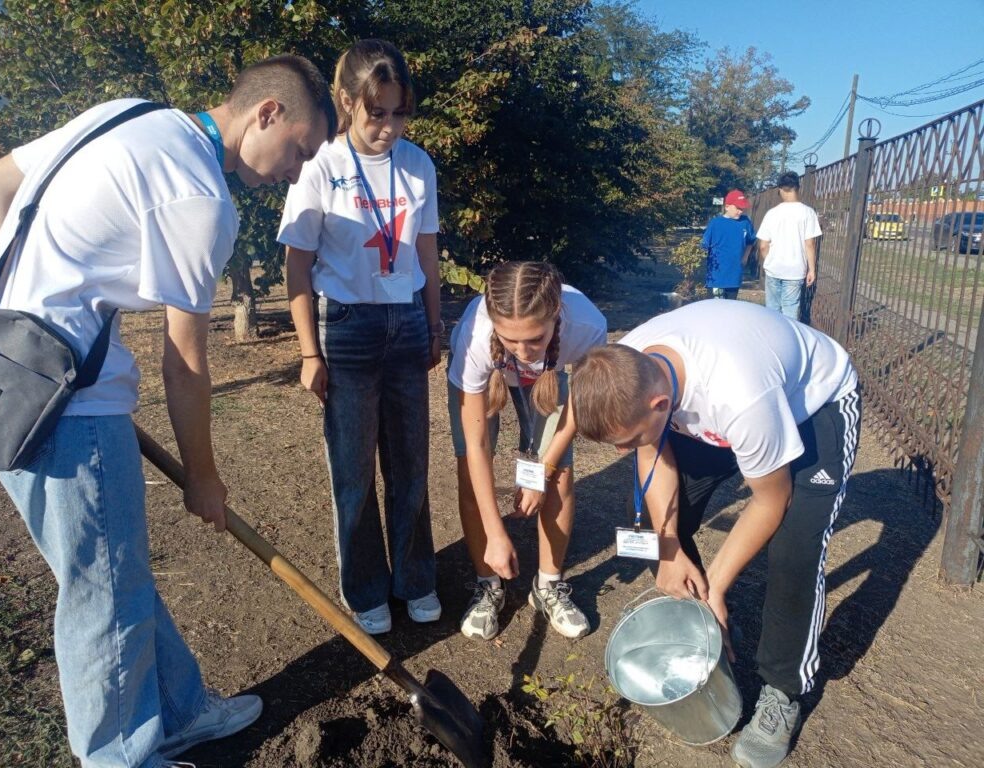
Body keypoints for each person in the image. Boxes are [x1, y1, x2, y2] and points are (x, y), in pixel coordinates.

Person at [0, 56, 336, 767]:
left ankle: (182, 709)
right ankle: (120, 757)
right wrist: (204, 476)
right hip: (65, 410)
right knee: (102, 595)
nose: (296, 172)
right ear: (266, 111)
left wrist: (26, 315)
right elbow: (186, 363)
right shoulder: (200, 197)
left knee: (114, 574)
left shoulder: (130, 114)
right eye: (299, 150)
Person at [571, 300, 861, 768]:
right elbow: (652, 450)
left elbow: (771, 499)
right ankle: (700, 633)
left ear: (660, 404)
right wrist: (668, 551)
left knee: (795, 549)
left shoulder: (739, 395)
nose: (621, 450)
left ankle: (782, 691)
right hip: (709, 421)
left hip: (812, 406)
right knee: (660, 519)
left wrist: (719, 588)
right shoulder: (629, 363)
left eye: (625, 439)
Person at [278, 39, 443, 636]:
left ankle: (415, 580)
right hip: (346, 329)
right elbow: (296, 267)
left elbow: (426, 250)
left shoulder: (419, 165)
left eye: (400, 113)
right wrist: (308, 352)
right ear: (348, 102)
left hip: (407, 326)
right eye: (378, 113)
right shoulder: (320, 167)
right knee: (353, 469)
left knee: (411, 465)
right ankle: (367, 588)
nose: (390, 127)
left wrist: (434, 321)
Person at [448, 261, 607, 640]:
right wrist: (495, 531)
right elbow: (477, 444)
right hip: (488, 379)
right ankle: (488, 583)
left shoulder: (587, 327)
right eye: (510, 339)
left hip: (556, 377)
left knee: (561, 475)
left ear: (556, 317)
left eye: (534, 339)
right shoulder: (476, 335)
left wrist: (542, 473)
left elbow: (571, 419)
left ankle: (548, 585)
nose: (522, 350)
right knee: (470, 474)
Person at [756, 171, 821, 319]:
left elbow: (763, 246)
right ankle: (789, 338)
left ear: (780, 189)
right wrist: (812, 269)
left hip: (774, 268)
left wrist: (770, 260)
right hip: (795, 270)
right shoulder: (808, 213)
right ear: (798, 188)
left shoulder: (772, 213)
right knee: (790, 310)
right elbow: (810, 244)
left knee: (772, 310)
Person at [702, 189, 756, 300]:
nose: (740, 211)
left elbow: (751, 241)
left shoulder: (745, 222)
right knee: (715, 308)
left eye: (742, 209)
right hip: (716, 276)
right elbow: (705, 244)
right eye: (737, 208)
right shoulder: (715, 223)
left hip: (734, 275)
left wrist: (745, 257)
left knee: (730, 307)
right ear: (727, 207)